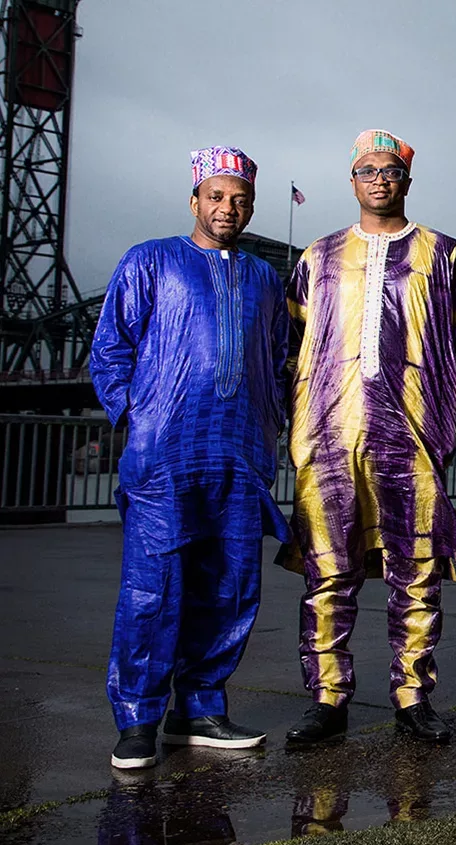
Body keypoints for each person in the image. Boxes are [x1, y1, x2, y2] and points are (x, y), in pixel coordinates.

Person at [282, 129, 456, 745]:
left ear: (406, 178)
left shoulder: (444, 255)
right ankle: (326, 700)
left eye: (390, 169)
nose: (379, 178)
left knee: (416, 568)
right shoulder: (316, 257)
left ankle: (412, 697)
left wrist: (454, 417)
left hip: (412, 432)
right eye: (367, 169)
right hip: (328, 434)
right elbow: (288, 347)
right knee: (327, 570)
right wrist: (294, 419)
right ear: (352, 180)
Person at [90, 146, 290, 769]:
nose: (228, 208)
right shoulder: (150, 260)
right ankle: (138, 719)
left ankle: (199, 709)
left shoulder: (263, 278)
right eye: (217, 196)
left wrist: (272, 425)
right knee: (154, 588)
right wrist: (138, 413)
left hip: (238, 454)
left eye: (240, 199)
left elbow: (280, 360)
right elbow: (110, 348)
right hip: (165, 457)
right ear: (195, 199)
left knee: (230, 586)